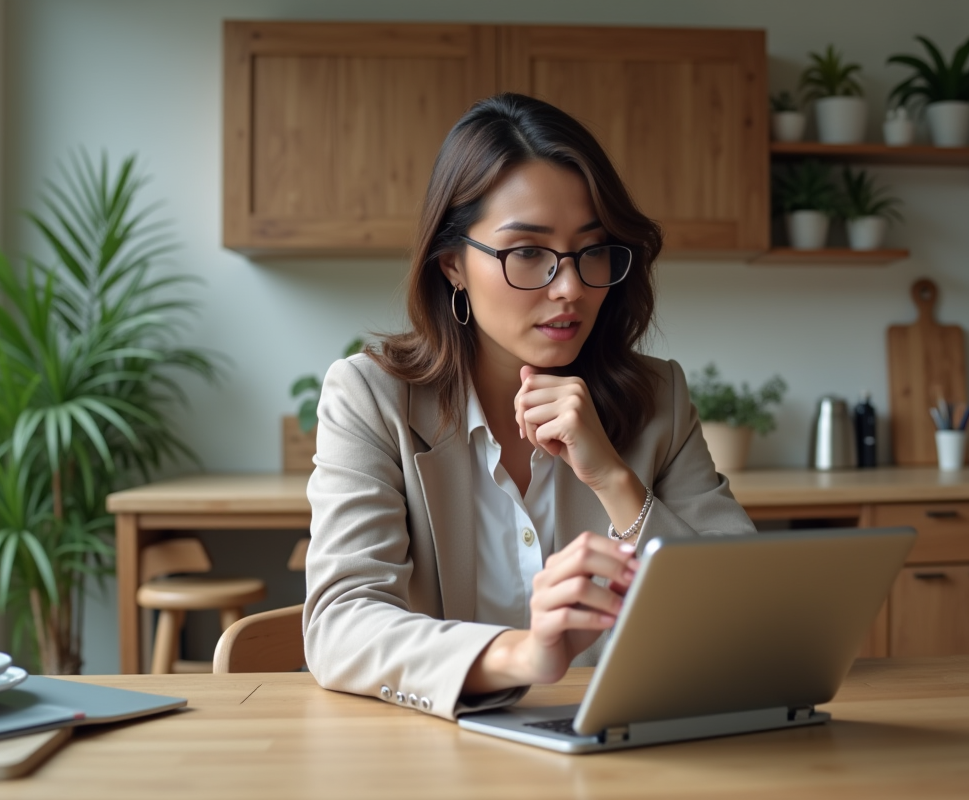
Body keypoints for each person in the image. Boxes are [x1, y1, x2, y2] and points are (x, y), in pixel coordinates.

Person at [303, 93, 756, 721]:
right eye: (528, 253)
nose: (569, 286)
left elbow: (746, 611)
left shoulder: (659, 400)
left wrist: (616, 482)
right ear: (453, 265)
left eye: (591, 250)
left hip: (626, 747)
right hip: (433, 757)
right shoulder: (372, 398)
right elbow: (341, 623)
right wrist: (521, 656)